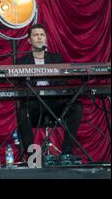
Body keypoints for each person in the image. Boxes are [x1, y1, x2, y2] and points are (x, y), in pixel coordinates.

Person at [16, 24, 83, 159]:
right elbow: (19, 86)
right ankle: (31, 157)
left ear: (46, 39)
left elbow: (63, 82)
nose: (39, 38)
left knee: (76, 107)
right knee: (22, 111)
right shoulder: (21, 61)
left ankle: (67, 152)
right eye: (36, 35)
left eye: (42, 35)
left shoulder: (56, 59)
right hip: (34, 104)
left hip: (54, 103)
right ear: (29, 40)